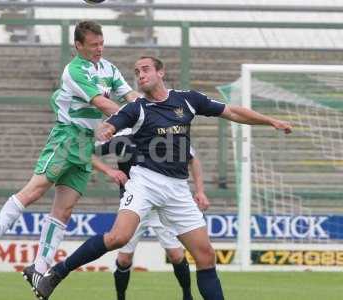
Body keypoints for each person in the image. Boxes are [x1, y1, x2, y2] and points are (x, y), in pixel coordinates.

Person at [33, 56, 292, 300]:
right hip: (145, 182)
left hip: (178, 189)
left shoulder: (187, 100)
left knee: (205, 257)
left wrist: (270, 121)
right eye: (136, 72)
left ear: (161, 72)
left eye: (145, 69)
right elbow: (114, 121)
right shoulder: (137, 107)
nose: (140, 75)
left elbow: (232, 112)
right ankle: (57, 273)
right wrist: (107, 128)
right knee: (118, 238)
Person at [0, 20, 139, 282]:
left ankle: (39, 268)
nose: (99, 49)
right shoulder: (74, 71)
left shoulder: (109, 68)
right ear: (78, 45)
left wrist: (149, 108)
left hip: (85, 142)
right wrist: (141, 120)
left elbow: (129, 94)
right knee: (35, 191)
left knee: (64, 209)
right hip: (67, 137)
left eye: (102, 43)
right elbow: (103, 104)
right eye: (94, 45)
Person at [93, 130, 209, 300]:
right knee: (124, 260)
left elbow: (193, 159)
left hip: (162, 206)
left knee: (176, 255)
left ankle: (187, 295)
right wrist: (108, 171)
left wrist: (200, 191)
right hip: (135, 207)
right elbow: (87, 152)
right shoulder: (122, 137)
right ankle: (120, 297)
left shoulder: (162, 129)